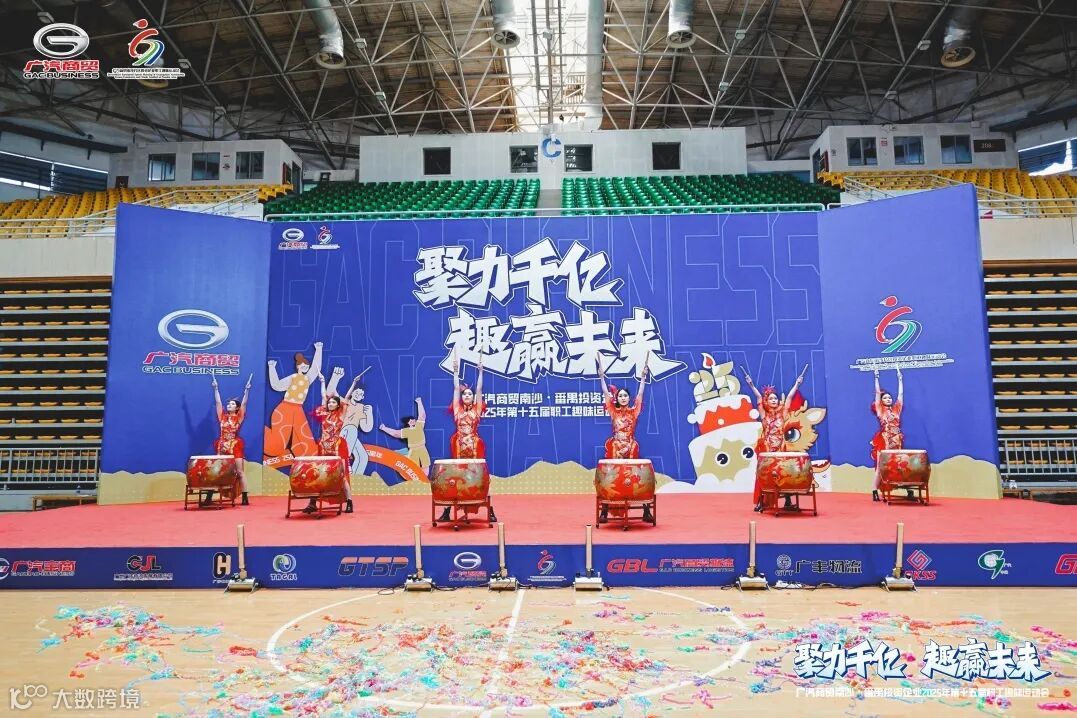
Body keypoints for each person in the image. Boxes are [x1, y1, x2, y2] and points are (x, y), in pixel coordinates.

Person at [597, 356, 652, 523]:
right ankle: (604, 511)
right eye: (620, 395)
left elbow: (640, 394)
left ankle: (646, 511)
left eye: (625, 396)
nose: (622, 398)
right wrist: (601, 377)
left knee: (637, 477)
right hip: (615, 448)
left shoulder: (634, 411)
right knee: (610, 477)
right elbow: (605, 393)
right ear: (617, 398)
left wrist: (643, 377)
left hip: (630, 447)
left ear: (629, 398)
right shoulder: (613, 411)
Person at [744, 365, 807, 512]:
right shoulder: (764, 415)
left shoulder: (782, 414)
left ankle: (787, 501)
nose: (774, 400)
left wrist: (797, 384)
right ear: (767, 401)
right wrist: (751, 385)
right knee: (764, 476)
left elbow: (789, 397)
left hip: (780, 450)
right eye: (771, 398)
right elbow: (758, 398)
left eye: (776, 398)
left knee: (784, 474)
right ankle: (761, 502)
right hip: (767, 451)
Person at [442, 356, 496, 522]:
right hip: (459, 446)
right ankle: (447, 511)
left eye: (469, 394)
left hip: (474, 447)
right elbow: (455, 388)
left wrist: (481, 371)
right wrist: (455, 372)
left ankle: (490, 509)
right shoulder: (457, 410)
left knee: (479, 477)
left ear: (473, 398)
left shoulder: (477, 410)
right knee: (456, 477)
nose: (467, 395)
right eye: (465, 394)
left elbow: (479, 389)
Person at [264, 342, 323, 462]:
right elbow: (276, 385)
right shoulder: (294, 377)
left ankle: (310, 465)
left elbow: (315, 369)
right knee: (276, 447)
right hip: (285, 409)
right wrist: (272, 368)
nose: (305, 367)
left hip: (298, 410)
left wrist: (319, 349)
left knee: (306, 441)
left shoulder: (307, 379)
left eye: (306, 366)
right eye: (303, 365)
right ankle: (260, 430)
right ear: (298, 366)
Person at [305, 374, 354, 514]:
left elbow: (347, 398)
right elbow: (323, 396)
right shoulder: (324, 415)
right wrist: (322, 381)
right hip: (324, 447)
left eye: (333, 402)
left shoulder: (341, 415)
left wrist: (353, 383)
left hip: (337, 447)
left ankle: (349, 502)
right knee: (318, 474)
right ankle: (312, 503)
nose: (330, 404)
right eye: (329, 402)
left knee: (341, 476)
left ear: (338, 405)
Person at [208, 374, 252, 506]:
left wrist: (247, 390)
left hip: (234, 446)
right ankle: (209, 497)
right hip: (222, 445)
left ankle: (245, 498)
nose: (229, 405)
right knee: (216, 471)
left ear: (236, 408)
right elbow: (218, 403)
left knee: (240, 472)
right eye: (229, 403)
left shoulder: (239, 417)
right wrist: (215, 388)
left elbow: (244, 403)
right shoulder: (222, 416)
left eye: (232, 404)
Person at [871, 368, 909, 502]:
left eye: (889, 397)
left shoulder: (897, 409)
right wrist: (876, 377)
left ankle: (907, 489)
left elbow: (901, 394)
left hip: (896, 441)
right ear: (881, 401)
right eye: (885, 398)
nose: (888, 399)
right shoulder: (880, 410)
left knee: (899, 465)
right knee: (880, 467)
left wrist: (900, 379)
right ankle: (874, 490)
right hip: (884, 441)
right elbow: (877, 392)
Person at [335, 370, 373, 477]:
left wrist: (369, 414)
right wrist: (353, 382)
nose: (358, 395)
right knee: (351, 428)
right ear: (352, 393)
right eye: (356, 392)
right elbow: (333, 393)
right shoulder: (344, 403)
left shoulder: (362, 408)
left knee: (363, 457)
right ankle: (345, 462)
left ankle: (354, 480)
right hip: (341, 433)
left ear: (362, 398)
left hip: (352, 435)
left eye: (360, 394)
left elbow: (366, 428)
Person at [379, 397, 430, 471]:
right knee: (413, 467)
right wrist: (384, 428)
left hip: (422, 450)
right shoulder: (407, 431)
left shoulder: (419, 426)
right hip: (413, 452)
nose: (413, 421)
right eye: (410, 421)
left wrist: (419, 402)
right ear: (408, 423)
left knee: (425, 467)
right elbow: (395, 434)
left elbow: (422, 415)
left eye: (413, 420)